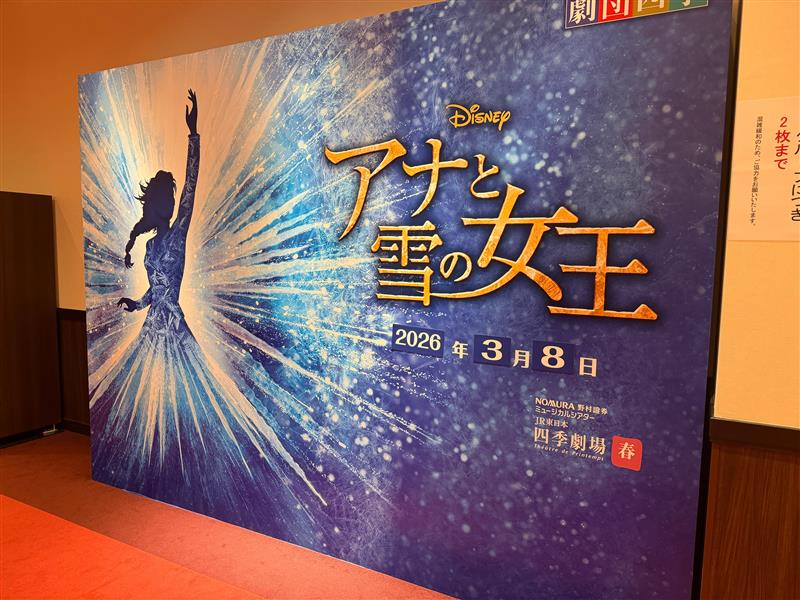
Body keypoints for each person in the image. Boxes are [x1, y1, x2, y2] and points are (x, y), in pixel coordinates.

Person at [90, 90, 323, 535]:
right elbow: (156, 291)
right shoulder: (153, 244)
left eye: (169, 199)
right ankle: (153, 483)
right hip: (153, 331)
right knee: (147, 409)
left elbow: (192, 188)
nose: (170, 204)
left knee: (193, 404)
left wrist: (193, 134)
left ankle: (203, 488)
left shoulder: (178, 232)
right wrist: (136, 304)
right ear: (155, 206)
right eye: (164, 199)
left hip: (174, 331)